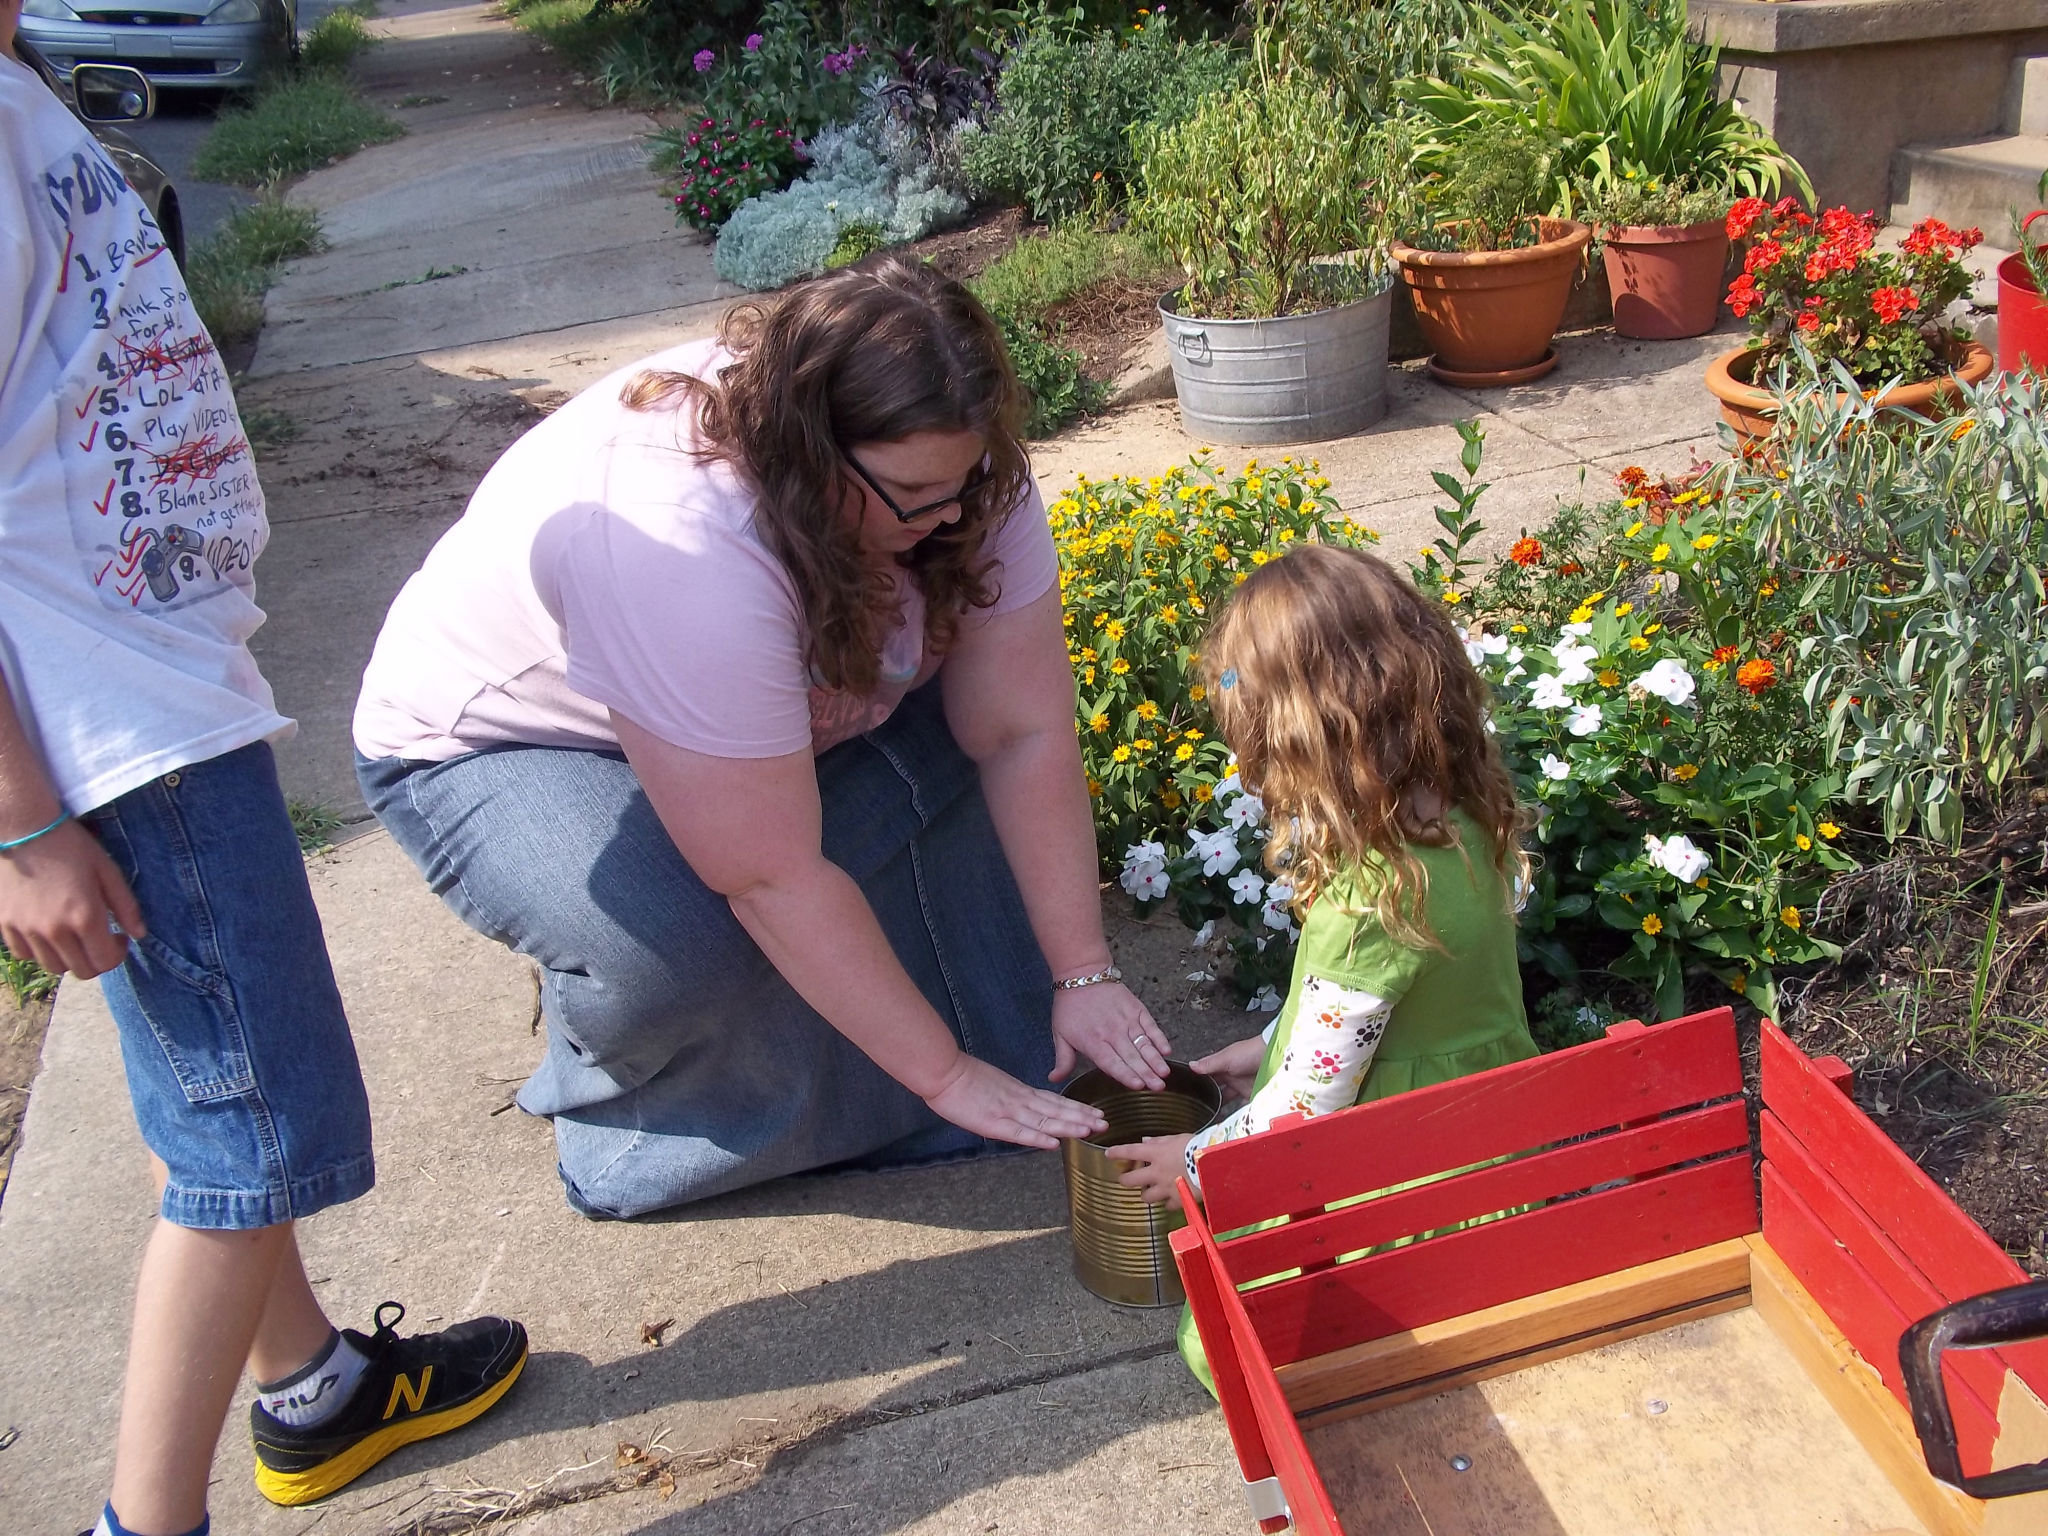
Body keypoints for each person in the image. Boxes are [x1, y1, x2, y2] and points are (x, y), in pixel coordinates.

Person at [0, 18, 526, 1534]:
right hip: (120, 734)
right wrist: (25, 824)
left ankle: (314, 1389)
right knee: (253, 1135)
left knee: (218, 1099)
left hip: (151, 695)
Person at [353, 257, 1169, 1218]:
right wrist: (945, 1077)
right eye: (916, 495)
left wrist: (1084, 969)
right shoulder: (685, 551)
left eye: (967, 481)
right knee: (687, 939)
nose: (952, 516)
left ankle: (869, 1027)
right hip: (504, 741)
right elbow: (769, 875)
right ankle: (624, 1113)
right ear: (815, 453)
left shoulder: (949, 472)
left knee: (949, 769)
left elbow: (1020, 731)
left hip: (735, 697)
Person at [1103, 543, 1539, 1389]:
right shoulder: (1460, 825)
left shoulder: (1372, 902)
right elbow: (1395, 1005)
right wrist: (1273, 1036)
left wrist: (1193, 1162)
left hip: (1402, 1173)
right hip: (1486, 1136)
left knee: (1219, 1343)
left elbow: (1305, 1109)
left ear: (1304, 736)